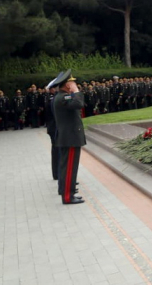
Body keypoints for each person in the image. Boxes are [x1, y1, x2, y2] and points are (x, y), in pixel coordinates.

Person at [51, 69, 86, 205]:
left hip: (69, 137)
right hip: (70, 137)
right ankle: (67, 196)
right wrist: (76, 91)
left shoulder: (62, 96)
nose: (74, 84)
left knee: (69, 167)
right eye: (72, 83)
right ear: (67, 85)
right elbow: (79, 104)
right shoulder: (63, 97)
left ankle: (69, 192)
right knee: (69, 167)